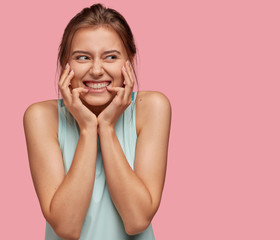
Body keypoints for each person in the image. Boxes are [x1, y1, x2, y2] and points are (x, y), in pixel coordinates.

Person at [23, 3, 171, 240]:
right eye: (83, 57)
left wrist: (108, 127)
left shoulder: (152, 108)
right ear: (65, 65)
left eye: (110, 57)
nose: (96, 70)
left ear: (129, 62)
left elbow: (136, 220)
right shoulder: (41, 117)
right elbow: (66, 227)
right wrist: (88, 127)